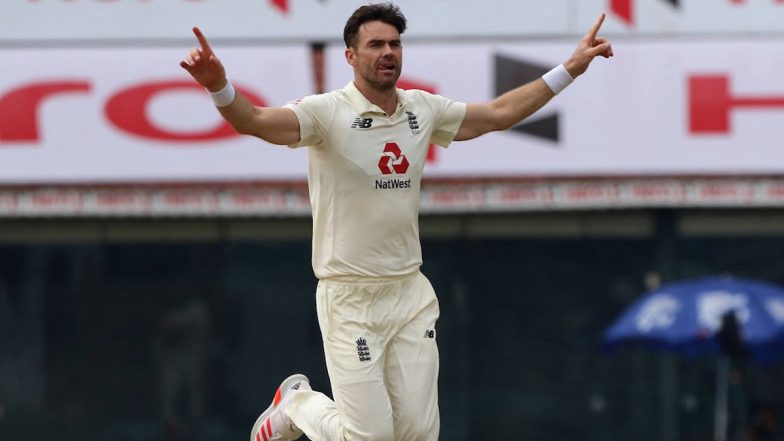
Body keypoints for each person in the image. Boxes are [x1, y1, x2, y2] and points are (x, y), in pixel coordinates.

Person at [180, 3, 612, 441]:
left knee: (419, 436)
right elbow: (254, 122)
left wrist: (571, 68)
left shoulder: (422, 109)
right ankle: (299, 405)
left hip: (409, 294)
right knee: (370, 438)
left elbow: (499, 114)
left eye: (394, 43)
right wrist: (219, 87)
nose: (388, 52)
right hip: (349, 298)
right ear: (351, 55)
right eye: (375, 45)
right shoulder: (325, 113)